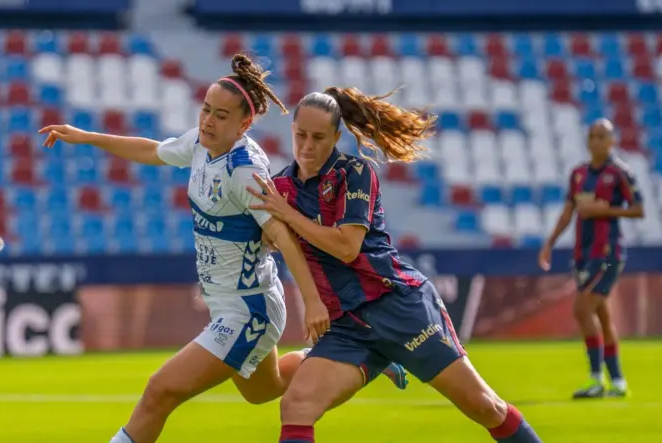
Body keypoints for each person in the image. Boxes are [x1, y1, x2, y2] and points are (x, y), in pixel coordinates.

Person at [39, 54, 406, 443]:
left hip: (248, 310)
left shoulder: (245, 171)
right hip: (231, 303)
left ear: (244, 124)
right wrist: (86, 136)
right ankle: (366, 356)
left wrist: (313, 302)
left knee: (159, 391)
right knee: (264, 389)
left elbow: (282, 237)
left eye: (221, 115)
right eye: (206, 110)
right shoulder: (201, 144)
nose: (208, 121)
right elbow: (152, 150)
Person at [247, 87, 543, 443]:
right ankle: (385, 360)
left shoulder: (355, 174)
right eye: (300, 135)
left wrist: (288, 215)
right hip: (348, 327)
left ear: (336, 137)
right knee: (296, 405)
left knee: (483, 407)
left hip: (398, 306)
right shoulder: (280, 188)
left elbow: (346, 247)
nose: (307, 146)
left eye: (318, 137)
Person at [539, 118, 643, 399]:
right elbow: (568, 211)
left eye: (601, 136)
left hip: (609, 253)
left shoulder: (620, 173)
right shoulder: (578, 174)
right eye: (592, 136)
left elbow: (638, 209)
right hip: (583, 254)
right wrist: (549, 243)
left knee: (582, 309)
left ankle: (596, 378)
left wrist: (605, 211)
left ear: (611, 141)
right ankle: (618, 382)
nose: (595, 141)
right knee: (602, 315)